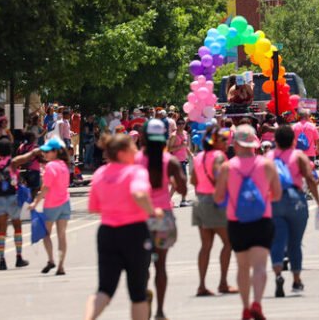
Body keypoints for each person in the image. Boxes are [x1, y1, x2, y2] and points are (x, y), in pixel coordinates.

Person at [84, 134, 162, 320]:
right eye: (132, 148)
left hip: (107, 233)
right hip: (134, 232)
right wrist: (153, 211)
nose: (136, 151)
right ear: (122, 153)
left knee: (105, 289)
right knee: (138, 292)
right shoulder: (135, 172)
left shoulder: (100, 174)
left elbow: (93, 207)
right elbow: (139, 195)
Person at [214, 124, 282, 320]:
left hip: (237, 222)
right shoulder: (267, 164)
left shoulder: (227, 167)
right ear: (254, 143)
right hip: (262, 220)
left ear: (235, 144)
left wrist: (232, 197)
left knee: (243, 266)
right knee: (260, 266)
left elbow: (218, 198)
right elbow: (276, 194)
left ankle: (245, 308)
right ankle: (257, 303)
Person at [136, 119, 187, 320]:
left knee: (143, 264)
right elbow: (183, 190)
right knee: (161, 265)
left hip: (141, 216)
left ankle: (143, 296)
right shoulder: (170, 161)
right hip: (163, 216)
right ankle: (160, 311)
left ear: (144, 138)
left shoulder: (135, 160)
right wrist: (174, 180)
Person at [268, 124, 319, 297]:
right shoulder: (299, 155)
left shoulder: (268, 157)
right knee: (295, 243)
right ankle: (296, 279)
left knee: (277, 241)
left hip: (274, 201)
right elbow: (310, 179)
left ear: (275, 141)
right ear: (293, 139)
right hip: (296, 200)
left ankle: (278, 274)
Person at [190, 126, 237, 296]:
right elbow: (220, 177)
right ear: (214, 141)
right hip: (216, 202)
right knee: (228, 242)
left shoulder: (199, 157)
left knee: (206, 246)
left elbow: (193, 180)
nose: (227, 142)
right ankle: (223, 283)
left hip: (201, 201)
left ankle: (202, 285)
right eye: (223, 139)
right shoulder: (219, 156)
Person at [0, 137, 37, 270]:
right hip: (12, 199)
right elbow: (28, 157)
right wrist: (36, 151)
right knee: (17, 227)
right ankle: (18, 257)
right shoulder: (12, 162)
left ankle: (2, 260)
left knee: (1, 231)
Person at [28, 138, 72, 275]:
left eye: (48, 152)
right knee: (62, 236)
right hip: (65, 203)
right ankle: (61, 265)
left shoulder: (51, 166)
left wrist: (36, 202)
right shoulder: (64, 165)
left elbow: (46, 187)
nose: (45, 154)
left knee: (46, 233)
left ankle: (51, 259)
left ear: (55, 152)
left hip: (52, 204)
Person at [168, 118, 192, 207]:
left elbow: (185, 147)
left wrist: (191, 155)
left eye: (183, 123)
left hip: (183, 160)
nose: (181, 125)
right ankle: (182, 201)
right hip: (176, 161)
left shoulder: (185, 133)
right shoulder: (174, 135)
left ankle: (181, 200)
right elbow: (169, 149)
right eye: (179, 123)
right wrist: (181, 146)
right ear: (176, 125)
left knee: (180, 182)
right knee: (180, 182)